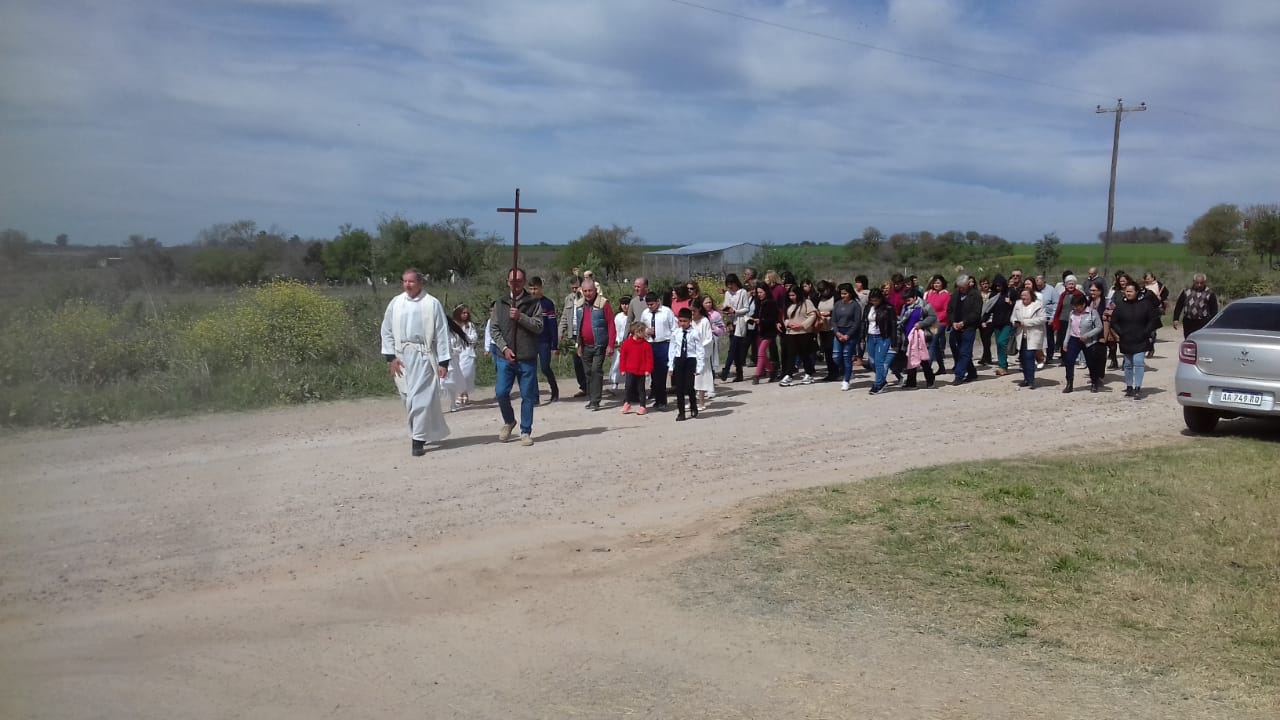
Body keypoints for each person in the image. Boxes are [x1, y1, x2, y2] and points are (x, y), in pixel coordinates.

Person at [380, 268, 452, 457]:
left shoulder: (432, 303)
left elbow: (442, 332)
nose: (407, 285)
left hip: (423, 356)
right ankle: (422, 430)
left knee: (420, 398)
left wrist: (443, 362)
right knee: (407, 398)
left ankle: (417, 440)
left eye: (411, 281)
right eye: (404, 281)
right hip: (402, 356)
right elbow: (386, 329)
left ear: (420, 282)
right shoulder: (396, 303)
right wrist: (391, 357)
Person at [492, 267, 544, 445]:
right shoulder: (500, 303)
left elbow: (539, 326)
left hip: (527, 356)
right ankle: (509, 421)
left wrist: (520, 316)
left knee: (528, 396)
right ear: (507, 282)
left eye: (519, 281)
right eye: (513, 281)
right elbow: (494, 329)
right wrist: (505, 348)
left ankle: (525, 431)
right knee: (501, 392)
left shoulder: (533, 303)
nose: (516, 284)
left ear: (524, 282)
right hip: (505, 357)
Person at [1109, 282, 1160, 400]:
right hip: (1126, 339)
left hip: (1141, 338)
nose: (1128, 293)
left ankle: (1137, 387)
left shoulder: (1145, 304)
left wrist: (1146, 332)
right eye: (1126, 291)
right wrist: (1121, 333)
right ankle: (1129, 387)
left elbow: (1153, 320)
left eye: (1130, 291)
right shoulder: (1120, 305)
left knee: (1138, 362)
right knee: (1128, 364)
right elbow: (1114, 321)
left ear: (1136, 292)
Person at [575, 278, 617, 411]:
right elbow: (579, 326)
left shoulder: (604, 304)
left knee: (596, 371)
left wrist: (610, 345)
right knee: (588, 372)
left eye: (590, 290)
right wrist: (579, 344)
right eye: (585, 291)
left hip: (599, 345)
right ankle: (591, 398)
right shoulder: (580, 305)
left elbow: (611, 324)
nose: (588, 293)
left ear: (595, 290)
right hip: (585, 345)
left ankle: (595, 401)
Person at [1059, 294, 1105, 393]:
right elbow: (1069, 328)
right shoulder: (1072, 313)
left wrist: (1088, 335)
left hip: (1088, 341)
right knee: (1069, 360)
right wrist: (1065, 342)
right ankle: (1069, 383)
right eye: (1074, 306)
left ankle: (1094, 382)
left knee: (1091, 362)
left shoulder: (1092, 312)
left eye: (1077, 306)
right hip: (1074, 339)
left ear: (1083, 304)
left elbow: (1099, 327)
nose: (1075, 308)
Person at [641, 291, 678, 409]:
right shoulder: (645, 313)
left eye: (652, 304)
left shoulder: (667, 312)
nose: (650, 307)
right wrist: (646, 331)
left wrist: (673, 345)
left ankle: (662, 400)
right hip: (650, 344)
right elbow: (641, 328)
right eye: (648, 305)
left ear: (658, 301)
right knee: (653, 373)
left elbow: (674, 329)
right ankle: (657, 399)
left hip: (664, 344)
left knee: (661, 373)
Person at [668, 307, 705, 421]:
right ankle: (681, 412)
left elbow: (700, 350)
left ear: (690, 320)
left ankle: (693, 406)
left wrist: (699, 366)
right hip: (679, 360)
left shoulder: (695, 333)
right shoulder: (676, 333)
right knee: (679, 388)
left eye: (685, 321)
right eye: (680, 321)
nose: (682, 323)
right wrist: (671, 366)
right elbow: (672, 350)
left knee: (689, 386)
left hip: (690, 360)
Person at [897, 288, 938, 390]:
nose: (907, 302)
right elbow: (902, 320)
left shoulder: (924, 305)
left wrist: (922, 324)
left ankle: (930, 380)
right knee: (911, 359)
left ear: (915, 297)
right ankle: (911, 382)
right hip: (908, 336)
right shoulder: (905, 307)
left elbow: (933, 316)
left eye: (909, 300)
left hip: (920, 336)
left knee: (923, 359)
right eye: (905, 300)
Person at [528, 277, 560, 403]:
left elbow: (552, 325)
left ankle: (554, 390)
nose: (533, 291)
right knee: (531, 369)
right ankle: (535, 396)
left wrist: (554, 345)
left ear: (541, 288)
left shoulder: (547, 303)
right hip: (531, 340)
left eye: (535, 289)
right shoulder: (527, 303)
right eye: (531, 289)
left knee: (545, 367)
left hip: (544, 340)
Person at [778, 285, 818, 386]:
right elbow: (785, 317)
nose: (791, 297)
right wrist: (788, 324)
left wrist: (802, 325)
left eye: (793, 295)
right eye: (790, 295)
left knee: (804, 354)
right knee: (790, 354)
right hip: (791, 333)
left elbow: (813, 315)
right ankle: (788, 375)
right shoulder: (788, 304)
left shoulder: (807, 302)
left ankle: (808, 373)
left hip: (804, 333)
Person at [557, 276, 588, 398]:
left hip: (585, 334)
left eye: (577, 287)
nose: (575, 290)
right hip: (573, 335)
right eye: (573, 288)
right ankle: (583, 387)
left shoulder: (588, 298)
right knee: (577, 362)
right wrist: (560, 332)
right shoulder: (569, 299)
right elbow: (564, 317)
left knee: (587, 361)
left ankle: (592, 387)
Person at [442, 304, 478, 411]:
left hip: (467, 351)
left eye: (467, 313)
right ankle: (459, 394)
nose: (465, 315)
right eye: (463, 313)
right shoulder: (452, 325)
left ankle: (464, 393)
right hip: (457, 354)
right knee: (458, 374)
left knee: (467, 374)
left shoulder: (469, 325)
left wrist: (464, 337)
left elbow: (474, 337)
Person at [720, 273, 753, 383]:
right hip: (731, 322)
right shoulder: (727, 293)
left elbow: (746, 308)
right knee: (736, 350)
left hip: (739, 322)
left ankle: (725, 371)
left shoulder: (742, 292)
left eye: (731, 284)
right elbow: (725, 305)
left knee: (732, 348)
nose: (730, 287)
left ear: (736, 283)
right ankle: (739, 373)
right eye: (728, 285)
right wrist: (725, 311)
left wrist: (735, 311)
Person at [949, 274, 982, 384]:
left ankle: (959, 375)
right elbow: (950, 310)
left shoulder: (975, 296)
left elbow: (976, 313)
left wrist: (964, 322)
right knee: (959, 350)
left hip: (969, 327)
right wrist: (953, 322)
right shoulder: (955, 295)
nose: (961, 289)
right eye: (959, 287)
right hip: (956, 327)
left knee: (965, 351)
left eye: (963, 287)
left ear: (968, 285)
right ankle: (972, 372)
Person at [1011, 288, 1046, 389]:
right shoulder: (1018, 304)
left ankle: (1031, 380)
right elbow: (1013, 317)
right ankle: (1026, 379)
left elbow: (1042, 319)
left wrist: (1026, 322)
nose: (1023, 297)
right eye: (1022, 295)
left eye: (1025, 295)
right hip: (1021, 335)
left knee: (1029, 357)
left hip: (1033, 335)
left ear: (1031, 296)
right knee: (1022, 358)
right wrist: (1015, 322)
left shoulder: (1038, 305)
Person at [831, 282, 863, 391]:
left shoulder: (855, 305)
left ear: (850, 293)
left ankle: (846, 380)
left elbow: (857, 322)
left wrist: (848, 335)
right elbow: (833, 320)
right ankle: (845, 371)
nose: (843, 296)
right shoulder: (837, 304)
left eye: (845, 293)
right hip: (838, 332)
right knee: (836, 356)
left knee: (846, 356)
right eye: (841, 293)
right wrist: (837, 332)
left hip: (850, 334)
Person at [863, 288, 896, 394]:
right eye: (872, 300)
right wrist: (862, 336)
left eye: (876, 300)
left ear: (881, 299)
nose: (874, 302)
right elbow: (864, 322)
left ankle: (878, 385)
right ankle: (882, 380)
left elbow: (893, 324)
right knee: (872, 361)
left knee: (879, 362)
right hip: (871, 336)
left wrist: (894, 339)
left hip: (883, 336)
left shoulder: (888, 308)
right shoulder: (868, 307)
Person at [695, 295, 726, 408]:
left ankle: (709, 388)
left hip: (711, 342)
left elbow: (722, 329)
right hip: (698, 346)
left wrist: (714, 329)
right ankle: (699, 390)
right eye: (706, 303)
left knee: (709, 366)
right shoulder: (698, 316)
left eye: (710, 302)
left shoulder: (715, 315)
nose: (708, 304)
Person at [618, 321, 653, 415]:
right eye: (643, 331)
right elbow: (623, 357)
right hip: (630, 370)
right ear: (637, 332)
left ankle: (642, 406)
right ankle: (627, 403)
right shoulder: (627, 344)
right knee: (628, 387)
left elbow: (649, 359)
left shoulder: (646, 345)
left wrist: (648, 369)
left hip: (641, 371)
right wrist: (622, 369)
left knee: (641, 389)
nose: (645, 333)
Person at [983, 274, 1014, 376]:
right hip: (996, 323)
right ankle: (1002, 366)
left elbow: (1018, 305)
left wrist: (1011, 303)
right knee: (999, 345)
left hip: (1008, 323)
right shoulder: (993, 295)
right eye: (996, 286)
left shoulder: (1010, 292)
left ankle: (1003, 365)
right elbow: (989, 309)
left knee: (1002, 342)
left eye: (1000, 285)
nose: (998, 287)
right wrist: (983, 320)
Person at [1172, 273, 1219, 338]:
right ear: (1193, 282)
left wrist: (1212, 323)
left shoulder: (1209, 293)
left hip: (1203, 321)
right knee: (1189, 339)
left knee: (1201, 339)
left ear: (1205, 282)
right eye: (1197, 283)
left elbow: (1214, 309)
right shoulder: (1186, 291)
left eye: (1201, 283)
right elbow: (1179, 305)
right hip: (1188, 321)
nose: (1199, 285)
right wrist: (1176, 319)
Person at [750, 282, 778, 385]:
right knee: (762, 354)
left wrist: (761, 321)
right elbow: (755, 314)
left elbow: (772, 319)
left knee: (761, 352)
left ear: (766, 292)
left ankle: (757, 374)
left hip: (768, 332)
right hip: (759, 331)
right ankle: (772, 370)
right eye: (758, 293)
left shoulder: (771, 303)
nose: (759, 294)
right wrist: (751, 319)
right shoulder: (758, 302)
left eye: (761, 292)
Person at [923, 275, 950, 374]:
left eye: (938, 283)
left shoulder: (946, 295)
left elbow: (946, 310)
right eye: (934, 283)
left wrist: (936, 319)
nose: (936, 285)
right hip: (928, 321)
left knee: (932, 343)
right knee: (936, 345)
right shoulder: (930, 293)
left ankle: (928, 369)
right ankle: (941, 367)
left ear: (942, 283)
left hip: (940, 322)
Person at [1141, 272, 1169, 357]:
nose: (1147, 280)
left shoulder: (1158, 286)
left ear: (1153, 278)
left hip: (1154, 310)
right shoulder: (1141, 289)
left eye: (1149, 278)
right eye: (1146, 279)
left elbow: (1165, 293)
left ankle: (1151, 348)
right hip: (1142, 312)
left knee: (1152, 331)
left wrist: (1161, 298)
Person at [608, 296, 631, 393]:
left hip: (629, 343)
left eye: (627, 304)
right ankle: (614, 384)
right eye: (623, 304)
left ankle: (629, 385)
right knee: (616, 363)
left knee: (629, 364)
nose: (625, 306)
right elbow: (615, 330)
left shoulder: (632, 316)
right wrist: (616, 342)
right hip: (618, 344)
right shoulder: (618, 316)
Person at [1036, 275, 1059, 364]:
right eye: (1037, 285)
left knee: (1049, 338)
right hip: (1037, 318)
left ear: (1044, 282)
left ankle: (1049, 356)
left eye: (1040, 285)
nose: (1038, 286)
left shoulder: (1051, 290)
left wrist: (1053, 318)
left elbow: (1056, 304)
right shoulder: (1035, 291)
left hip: (1048, 317)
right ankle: (1039, 356)